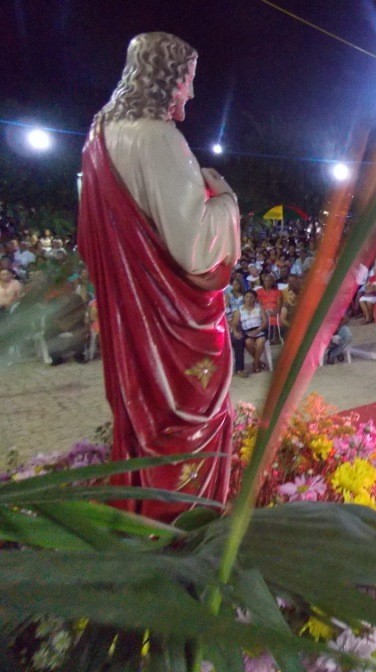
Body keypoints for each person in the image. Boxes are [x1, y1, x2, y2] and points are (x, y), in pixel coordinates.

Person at [78, 32, 239, 519]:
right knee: (187, 420)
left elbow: (93, 237)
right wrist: (226, 198)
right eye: (188, 80)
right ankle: (182, 522)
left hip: (131, 310)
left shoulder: (99, 135)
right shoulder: (158, 137)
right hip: (171, 317)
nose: (190, 92)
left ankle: (142, 510)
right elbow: (194, 248)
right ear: (167, 79)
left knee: (141, 413)